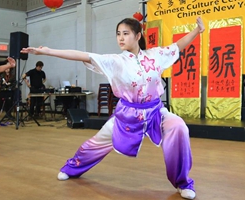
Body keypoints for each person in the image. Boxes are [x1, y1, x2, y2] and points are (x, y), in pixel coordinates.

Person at [20, 17, 205, 200]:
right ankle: (72, 167)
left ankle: (183, 182)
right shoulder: (114, 61)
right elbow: (82, 55)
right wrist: (47, 51)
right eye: (118, 34)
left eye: (125, 33)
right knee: (95, 143)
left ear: (138, 35)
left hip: (155, 111)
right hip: (127, 115)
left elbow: (178, 46)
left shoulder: (155, 56)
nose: (120, 38)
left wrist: (198, 30)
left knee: (179, 126)